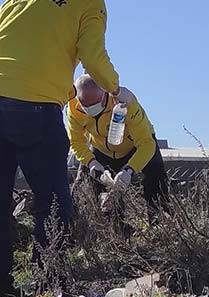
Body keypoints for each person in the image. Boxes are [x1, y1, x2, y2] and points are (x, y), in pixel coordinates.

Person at [0, 0, 135, 293]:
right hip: (37, 109)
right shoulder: (88, 2)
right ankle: (47, 283)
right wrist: (116, 89)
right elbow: (93, 57)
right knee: (54, 201)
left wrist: (3, 87)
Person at [67, 75, 169, 207]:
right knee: (82, 188)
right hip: (100, 148)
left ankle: (159, 217)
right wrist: (91, 163)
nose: (91, 109)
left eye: (95, 104)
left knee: (156, 181)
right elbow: (76, 142)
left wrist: (129, 170)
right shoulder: (73, 108)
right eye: (85, 105)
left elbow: (146, 144)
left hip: (136, 146)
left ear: (105, 93)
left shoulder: (125, 102)